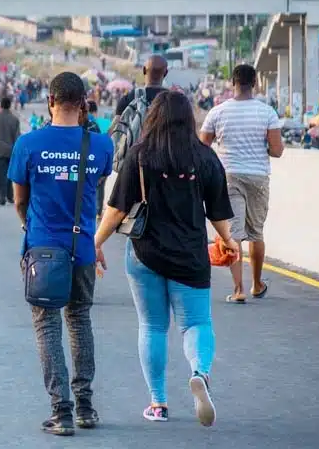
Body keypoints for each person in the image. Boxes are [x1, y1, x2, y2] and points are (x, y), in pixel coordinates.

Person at [96, 90, 237, 427]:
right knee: (196, 323)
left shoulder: (139, 156)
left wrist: (95, 243)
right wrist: (229, 241)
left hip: (145, 253)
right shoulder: (204, 157)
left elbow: (116, 210)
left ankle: (158, 403)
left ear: (153, 118)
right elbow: (218, 212)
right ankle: (199, 373)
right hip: (190, 255)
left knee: (152, 326)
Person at [7, 72, 113, 436]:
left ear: (49, 101)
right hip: (82, 248)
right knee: (80, 321)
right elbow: (93, 189)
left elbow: (19, 200)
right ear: (83, 104)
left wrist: (30, 226)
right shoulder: (101, 145)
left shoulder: (28, 144)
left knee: (47, 325)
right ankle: (85, 406)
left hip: (42, 250)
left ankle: (61, 411)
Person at [199, 64, 283, 302]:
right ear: (254, 83)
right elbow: (277, 151)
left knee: (233, 233)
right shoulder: (267, 112)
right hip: (258, 177)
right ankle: (257, 284)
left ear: (232, 83)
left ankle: (238, 290)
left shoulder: (217, 112)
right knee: (256, 232)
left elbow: (202, 148)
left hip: (229, 176)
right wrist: (264, 147)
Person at [0, 96, 21, 206]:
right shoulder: (15, 119)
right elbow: (18, 137)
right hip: (12, 150)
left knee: (1, 173)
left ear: (1, 105)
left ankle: (2, 197)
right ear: (10, 105)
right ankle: (10, 196)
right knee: (10, 173)